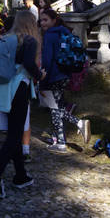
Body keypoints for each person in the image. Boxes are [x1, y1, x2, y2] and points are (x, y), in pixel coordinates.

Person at [0, 11, 41, 198]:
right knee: (15, 135)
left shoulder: (6, 39)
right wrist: (40, 76)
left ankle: (20, 175)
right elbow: (30, 64)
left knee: (13, 131)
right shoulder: (29, 41)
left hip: (2, 88)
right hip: (18, 89)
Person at [39, 9, 91, 153]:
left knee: (54, 109)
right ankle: (57, 137)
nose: (42, 23)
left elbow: (48, 59)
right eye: (41, 20)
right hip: (65, 75)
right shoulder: (65, 32)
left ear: (54, 20)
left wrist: (42, 77)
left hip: (52, 76)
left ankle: (68, 134)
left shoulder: (50, 34)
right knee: (58, 106)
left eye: (45, 20)